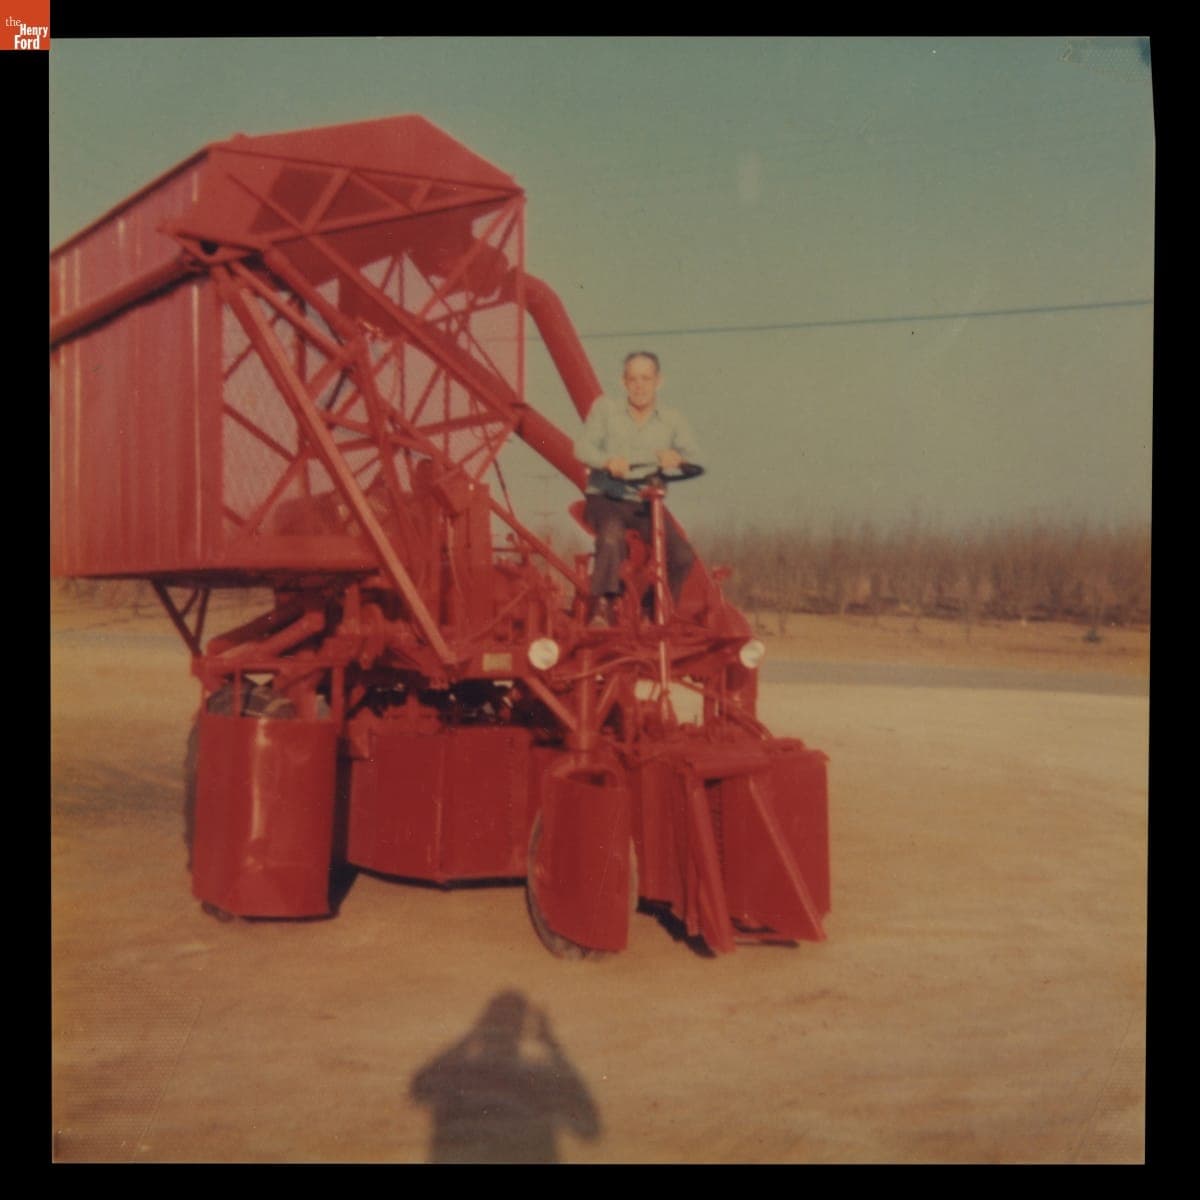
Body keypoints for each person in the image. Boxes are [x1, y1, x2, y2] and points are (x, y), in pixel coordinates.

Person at [573, 351, 700, 627]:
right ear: (623, 382)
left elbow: (695, 458)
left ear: (658, 381)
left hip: (645, 504)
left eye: (646, 378)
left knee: (682, 555)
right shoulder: (605, 410)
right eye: (633, 379)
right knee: (611, 537)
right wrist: (607, 461)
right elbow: (581, 448)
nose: (639, 386)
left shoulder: (671, 419)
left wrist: (677, 459)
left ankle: (653, 613)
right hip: (606, 498)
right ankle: (602, 607)